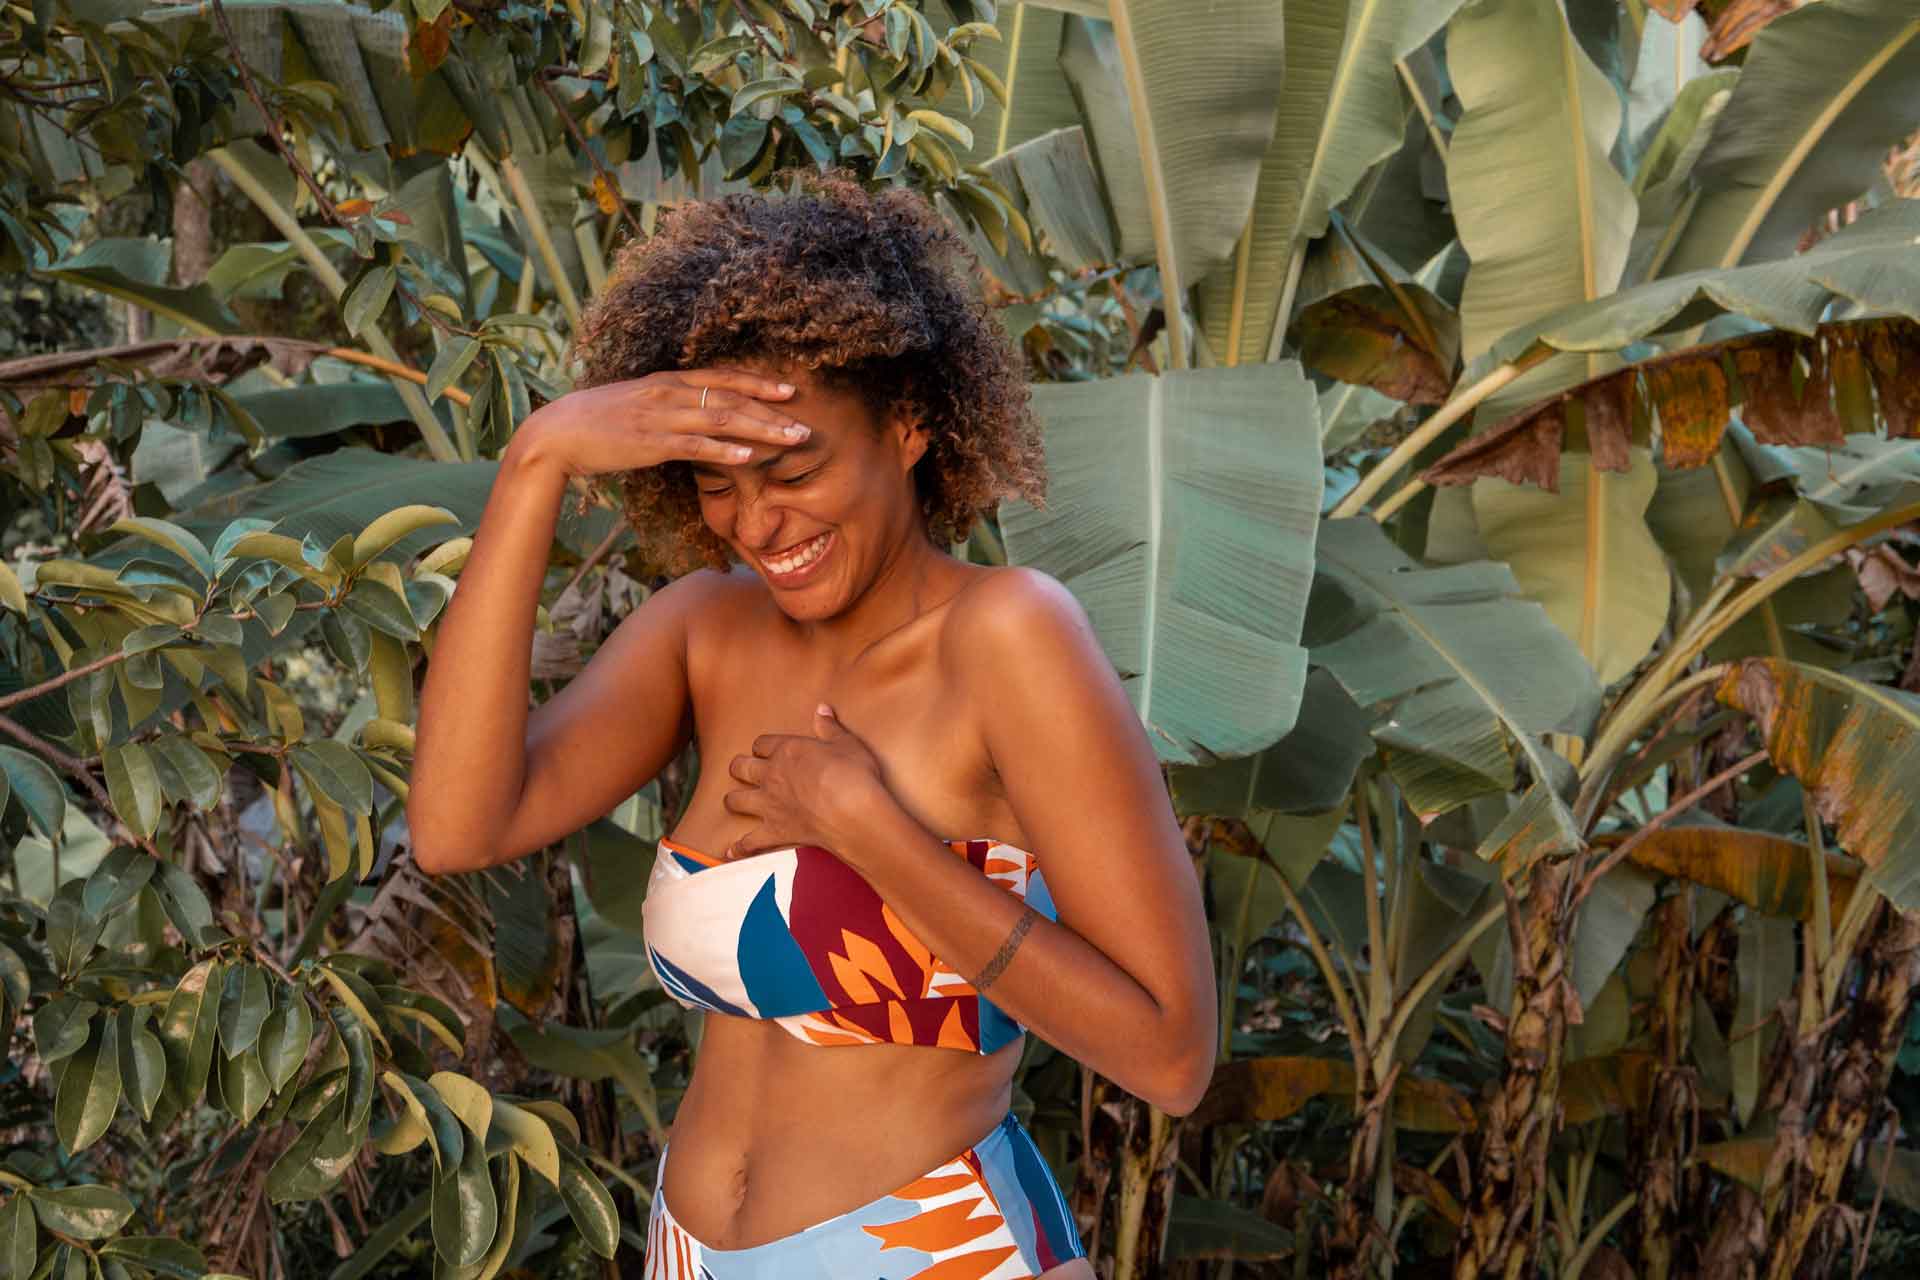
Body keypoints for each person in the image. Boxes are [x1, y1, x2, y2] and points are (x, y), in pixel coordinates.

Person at [408, 170, 1216, 1279]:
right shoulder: (704, 631)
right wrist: (536, 458)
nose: (756, 521)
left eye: (793, 469)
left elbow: (1171, 1054)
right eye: (716, 484)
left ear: (911, 423)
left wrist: (870, 829)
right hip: (686, 1250)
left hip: (935, 1250)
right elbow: (457, 826)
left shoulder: (1010, 639)